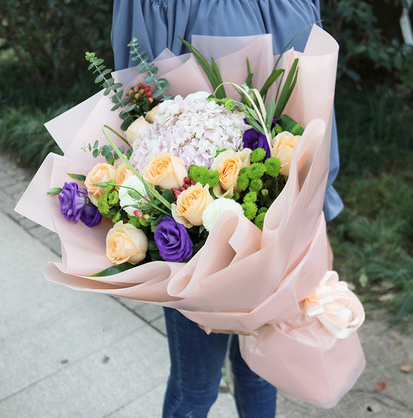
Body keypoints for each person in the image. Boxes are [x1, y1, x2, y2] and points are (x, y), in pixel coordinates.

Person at [111, 1, 343, 417]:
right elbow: (138, 99)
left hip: (285, 215)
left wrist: (316, 210)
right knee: (195, 386)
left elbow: (319, 103)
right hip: (190, 224)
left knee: (261, 368)